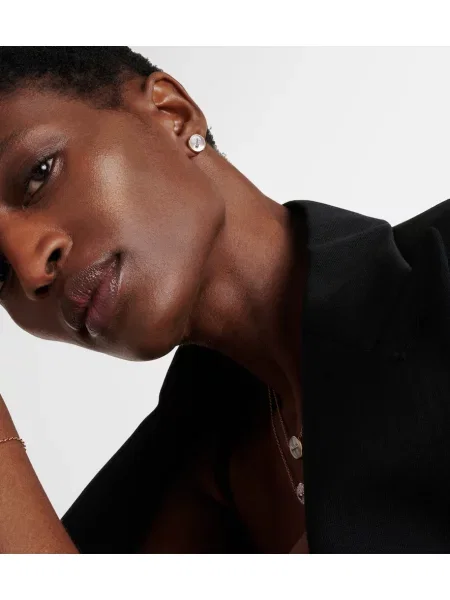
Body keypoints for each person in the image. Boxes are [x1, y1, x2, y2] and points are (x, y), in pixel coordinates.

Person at [0, 46, 449, 554]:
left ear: (172, 114)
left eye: (38, 173)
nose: (29, 268)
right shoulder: (163, 484)